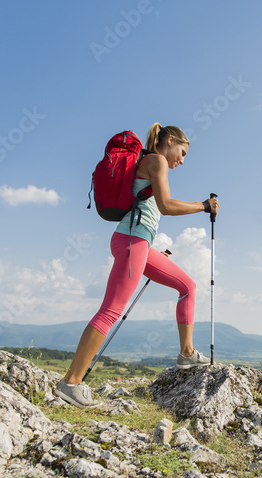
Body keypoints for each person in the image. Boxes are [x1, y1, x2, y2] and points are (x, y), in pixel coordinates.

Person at [55, 123, 219, 408]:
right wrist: (203, 206)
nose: (181, 161)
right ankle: (71, 383)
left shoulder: (150, 162)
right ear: (169, 141)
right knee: (110, 311)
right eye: (182, 153)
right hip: (132, 240)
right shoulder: (155, 160)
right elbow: (166, 205)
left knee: (187, 286)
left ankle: (187, 353)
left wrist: (148, 251)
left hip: (138, 242)